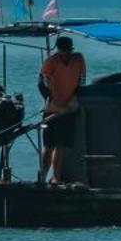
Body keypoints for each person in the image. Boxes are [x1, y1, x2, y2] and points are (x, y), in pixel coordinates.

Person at [37, 35, 86, 184]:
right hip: (52, 108)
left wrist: (75, 98)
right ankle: (42, 178)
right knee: (49, 145)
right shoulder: (51, 62)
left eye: (68, 51)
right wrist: (51, 101)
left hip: (69, 107)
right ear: (58, 50)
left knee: (61, 145)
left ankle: (56, 178)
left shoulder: (78, 59)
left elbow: (81, 80)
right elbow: (41, 84)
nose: (65, 54)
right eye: (62, 51)